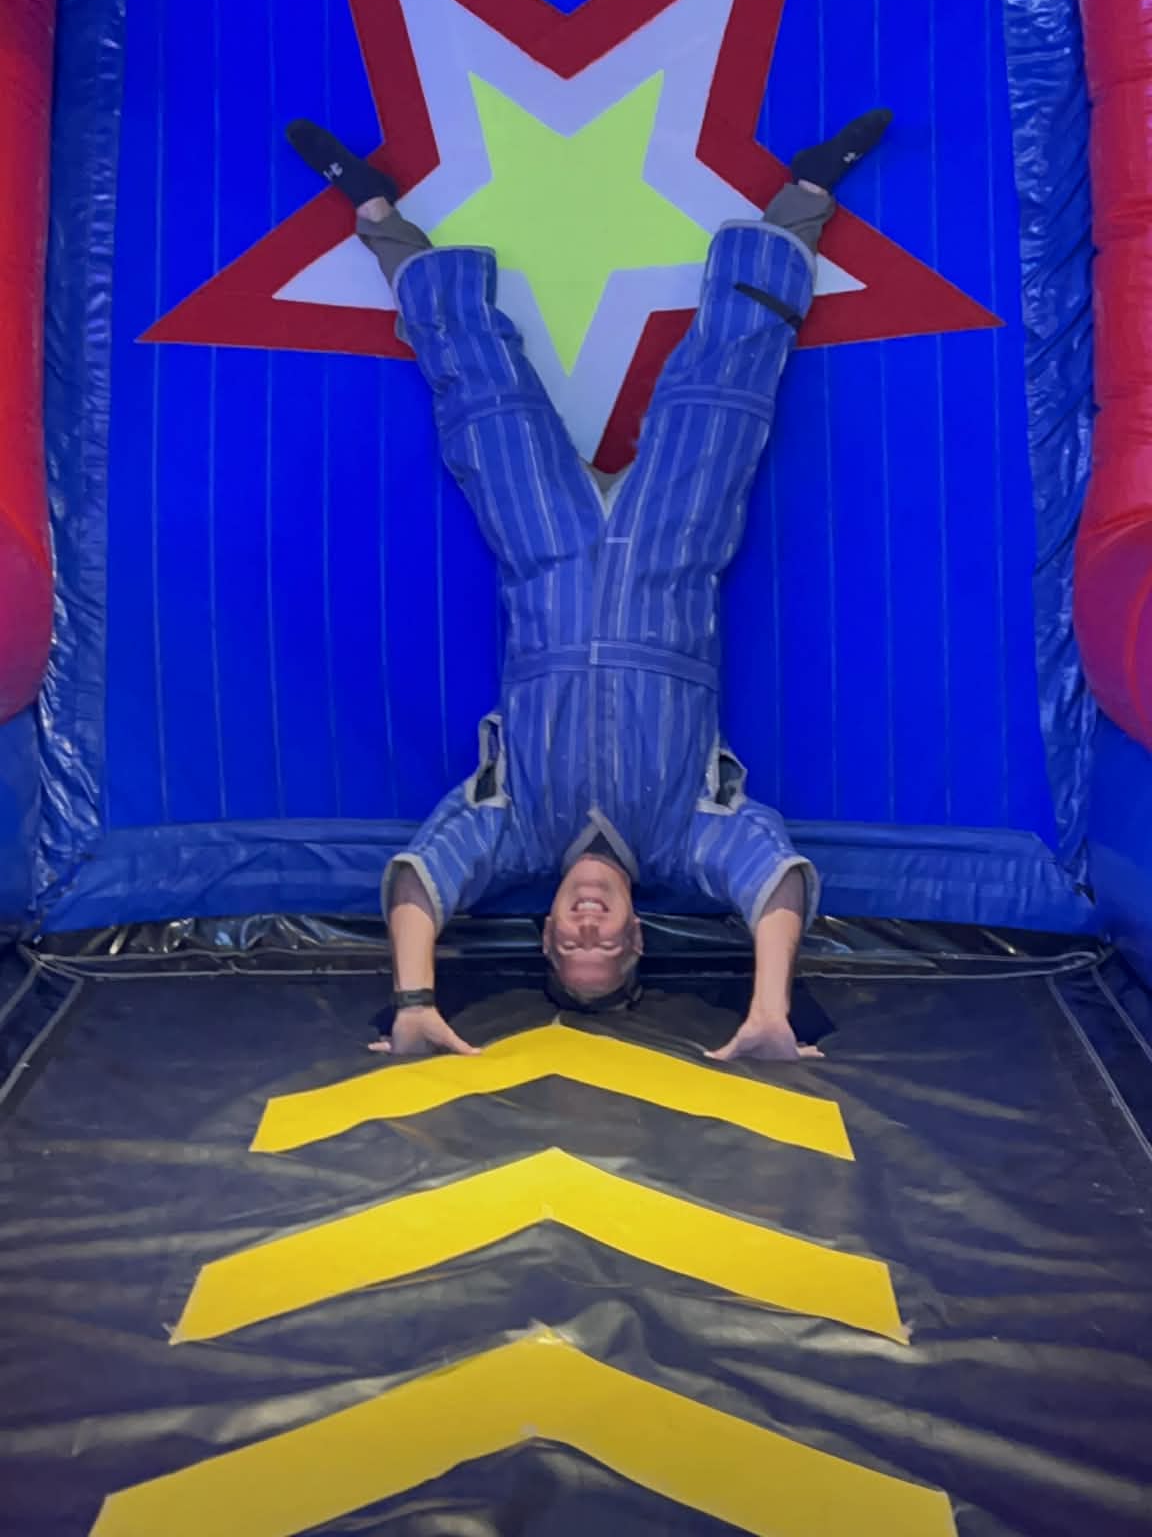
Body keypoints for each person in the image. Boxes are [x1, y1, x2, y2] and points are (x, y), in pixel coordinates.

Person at [288, 107, 892, 1063]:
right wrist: (769, 1009)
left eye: (570, 949)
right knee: (724, 393)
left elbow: (419, 880)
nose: (587, 933)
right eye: (606, 948)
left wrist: (414, 997)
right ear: (637, 932)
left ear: (546, 931)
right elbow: (775, 878)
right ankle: (805, 200)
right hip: (668, 552)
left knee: (480, 394)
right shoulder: (688, 839)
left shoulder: (516, 828)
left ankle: (377, 218)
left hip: (548, 552)